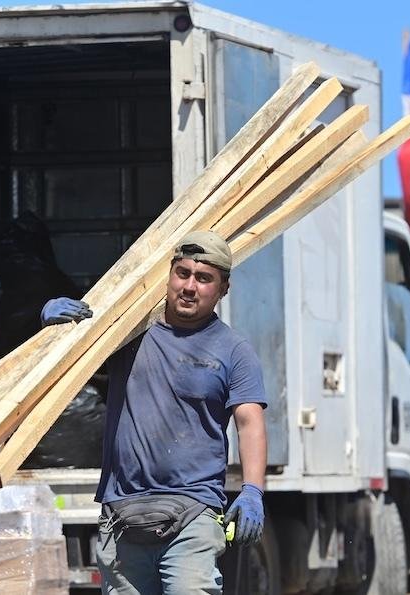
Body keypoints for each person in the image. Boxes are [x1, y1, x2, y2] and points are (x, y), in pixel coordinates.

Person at [41, 231, 268, 594]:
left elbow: (249, 420)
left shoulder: (233, 350)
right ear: (169, 276)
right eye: (183, 273)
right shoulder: (127, 335)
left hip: (193, 515)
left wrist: (253, 489)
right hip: (122, 517)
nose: (190, 286)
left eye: (204, 278)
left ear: (223, 289)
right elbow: (65, 365)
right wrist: (54, 329)